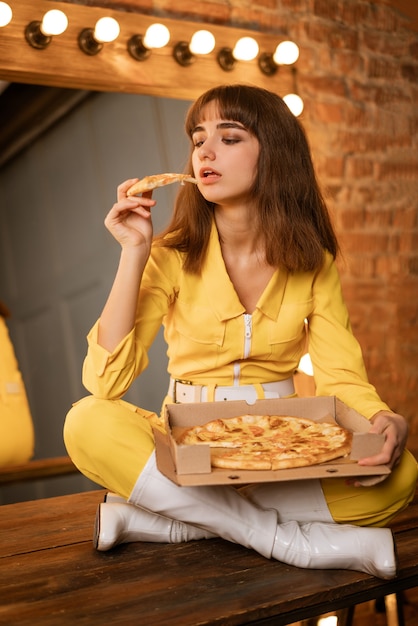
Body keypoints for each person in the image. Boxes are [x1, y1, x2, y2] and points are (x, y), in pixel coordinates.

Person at [64, 84, 417, 579]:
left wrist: (383, 417)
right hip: (187, 450)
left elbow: (341, 378)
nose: (205, 151)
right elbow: (106, 384)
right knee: (87, 421)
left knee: (401, 475)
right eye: (198, 138)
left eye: (229, 138)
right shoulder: (169, 255)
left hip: (283, 445)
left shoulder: (314, 262)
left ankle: (174, 522)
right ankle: (289, 542)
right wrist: (133, 252)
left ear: (274, 153)